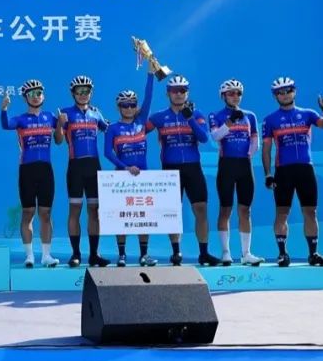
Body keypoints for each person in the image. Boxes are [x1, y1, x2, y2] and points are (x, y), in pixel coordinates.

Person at [145, 74, 222, 266]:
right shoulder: (159, 117)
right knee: (173, 212)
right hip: (170, 169)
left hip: (193, 167)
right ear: (168, 93)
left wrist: (190, 118)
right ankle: (176, 252)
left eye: (182, 90)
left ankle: (203, 253)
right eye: (174, 91)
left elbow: (204, 138)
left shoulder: (197, 114)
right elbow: (137, 129)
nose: (178, 94)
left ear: (187, 93)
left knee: (201, 209)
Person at [261, 76, 323, 267]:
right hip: (283, 171)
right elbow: (266, 149)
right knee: (282, 213)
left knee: (310, 212)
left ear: (295, 92)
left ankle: (313, 253)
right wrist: (268, 174)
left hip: (305, 169)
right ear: (275, 96)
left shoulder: (308, 114)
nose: (285, 95)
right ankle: (282, 254)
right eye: (280, 92)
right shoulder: (270, 120)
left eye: (288, 91)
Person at [1, 79, 62, 268]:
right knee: (28, 212)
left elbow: (59, 140)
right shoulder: (21, 119)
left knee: (46, 213)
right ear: (25, 98)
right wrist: (4, 109)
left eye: (39, 93)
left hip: (45, 169)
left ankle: (46, 256)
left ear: (43, 96)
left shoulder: (50, 117)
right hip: (27, 169)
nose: (36, 97)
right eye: (31, 94)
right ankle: (29, 256)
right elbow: (6, 125)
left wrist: (60, 124)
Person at [208, 79, 264, 266]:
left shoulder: (250, 116)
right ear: (223, 96)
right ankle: (226, 252)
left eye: (238, 93)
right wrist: (230, 121)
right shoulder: (216, 115)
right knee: (225, 209)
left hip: (244, 165)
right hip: (227, 165)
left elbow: (255, 140)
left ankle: (246, 253)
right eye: (231, 93)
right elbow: (215, 136)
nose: (235, 96)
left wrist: (249, 154)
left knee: (245, 210)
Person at [103, 72, 156, 267]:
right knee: (122, 215)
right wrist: (125, 167)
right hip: (122, 176)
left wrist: (151, 74)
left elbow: (148, 97)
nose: (129, 108)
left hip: (143, 176)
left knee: (144, 215)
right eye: (125, 105)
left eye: (132, 104)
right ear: (119, 107)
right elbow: (107, 153)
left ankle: (144, 254)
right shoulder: (112, 128)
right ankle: (122, 254)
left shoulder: (141, 122)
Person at [55, 75, 109, 267]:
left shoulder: (96, 113)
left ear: (91, 93)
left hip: (94, 166)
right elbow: (58, 141)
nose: (83, 94)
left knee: (94, 211)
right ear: (73, 94)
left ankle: (94, 254)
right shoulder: (66, 113)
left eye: (86, 91)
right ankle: (76, 254)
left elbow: (110, 130)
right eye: (79, 91)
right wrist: (60, 124)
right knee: (75, 210)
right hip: (75, 167)